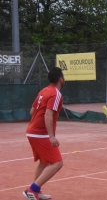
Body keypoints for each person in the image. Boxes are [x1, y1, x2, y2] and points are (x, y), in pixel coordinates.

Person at [23, 67, 65, 200]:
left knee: (44, 162)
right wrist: (51, 136)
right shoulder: (56, 94)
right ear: (60, 79)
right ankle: (32, 190)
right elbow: (48, 114)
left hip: (32, 131)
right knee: (58, 163)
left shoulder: (43, 91)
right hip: (40, 134)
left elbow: (32, 112)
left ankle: (36, 191)